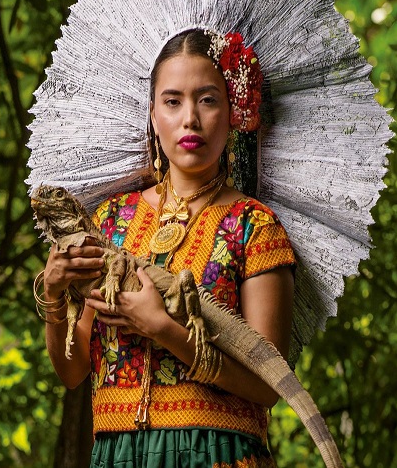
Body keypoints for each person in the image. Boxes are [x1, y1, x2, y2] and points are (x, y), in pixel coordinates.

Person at [39, 29, 296, 467]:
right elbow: (73, 369)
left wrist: (163, 329)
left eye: (208, 99)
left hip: (218, 453)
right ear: (154, 115)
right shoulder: (111, 222)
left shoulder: (255, 225)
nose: (190, 118)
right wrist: (53, 294)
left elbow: (269, 386)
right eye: (173, 101)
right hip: (119, 455)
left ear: (234, 111)